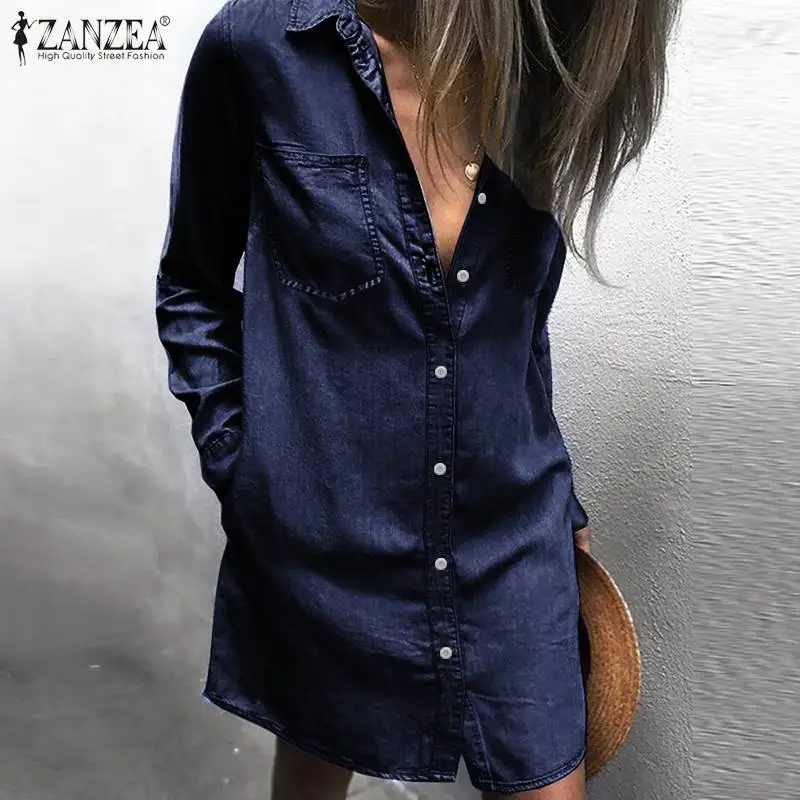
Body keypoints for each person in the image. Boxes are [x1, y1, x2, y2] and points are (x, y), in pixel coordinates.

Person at [154, 0, 680, 797]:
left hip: (512, 540)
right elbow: (192, 285)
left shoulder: (542, 69)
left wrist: (559, 497)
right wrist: (248, 468)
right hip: (328, 545)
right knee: (310, 782)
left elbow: (508, 324)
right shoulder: (261, 46)